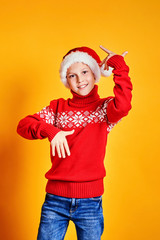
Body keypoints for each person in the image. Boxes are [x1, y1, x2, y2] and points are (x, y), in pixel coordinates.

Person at [17, 45, 133, 240]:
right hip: (55, 200)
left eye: (85, 72)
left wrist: (119, 67)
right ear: (66, 80)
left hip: (90, 202)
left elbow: (123, 105)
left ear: (96, 74)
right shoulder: (57, 108)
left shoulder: (105, 109)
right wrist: (50, 130)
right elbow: (23, 126)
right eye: (72, 75)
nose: (80, 80)